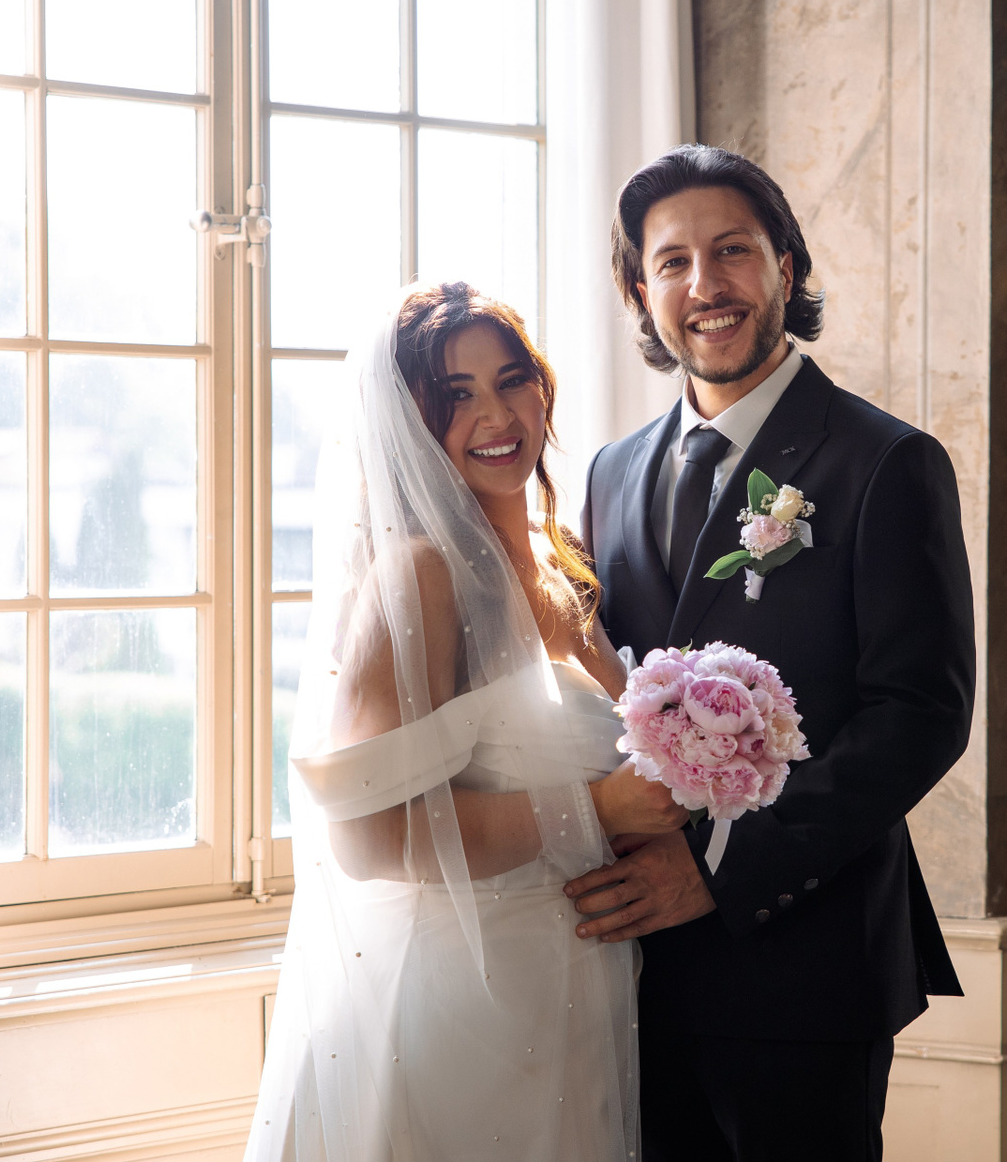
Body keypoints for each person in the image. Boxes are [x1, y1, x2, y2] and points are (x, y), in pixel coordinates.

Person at [568, 145, 975, 1161]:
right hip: (635, 974)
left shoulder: (887, 462)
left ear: (786, 267)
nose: (705, 285)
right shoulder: (611, 473)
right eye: (672, 262)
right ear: (641, 292)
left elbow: (919, 716)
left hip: (808, 968)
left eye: (733, 251)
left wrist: (721, 870)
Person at [244, 282, 684, 1162]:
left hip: (576, 991)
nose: (497, 414)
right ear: (410, 422)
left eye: (512, 378)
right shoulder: (420, 577)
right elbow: (366, 838)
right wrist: (596, 809)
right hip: (460, 1010)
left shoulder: (562, 560)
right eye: (457, 394)